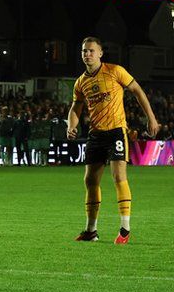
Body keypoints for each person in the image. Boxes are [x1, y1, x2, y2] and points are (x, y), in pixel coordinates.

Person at [68, 36, 158, 244]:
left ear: (100, 53)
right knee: (90, 181)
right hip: (96, 134)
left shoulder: (115, 71)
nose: (87, 54)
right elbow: (76, 108)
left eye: (91, 51)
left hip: (116, 131)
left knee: (118, 176)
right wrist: (71, 125)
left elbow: (137, 91)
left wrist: (151, 118)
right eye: (84, 51)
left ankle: (125, 228)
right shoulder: (81, 82)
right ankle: (91, 230)